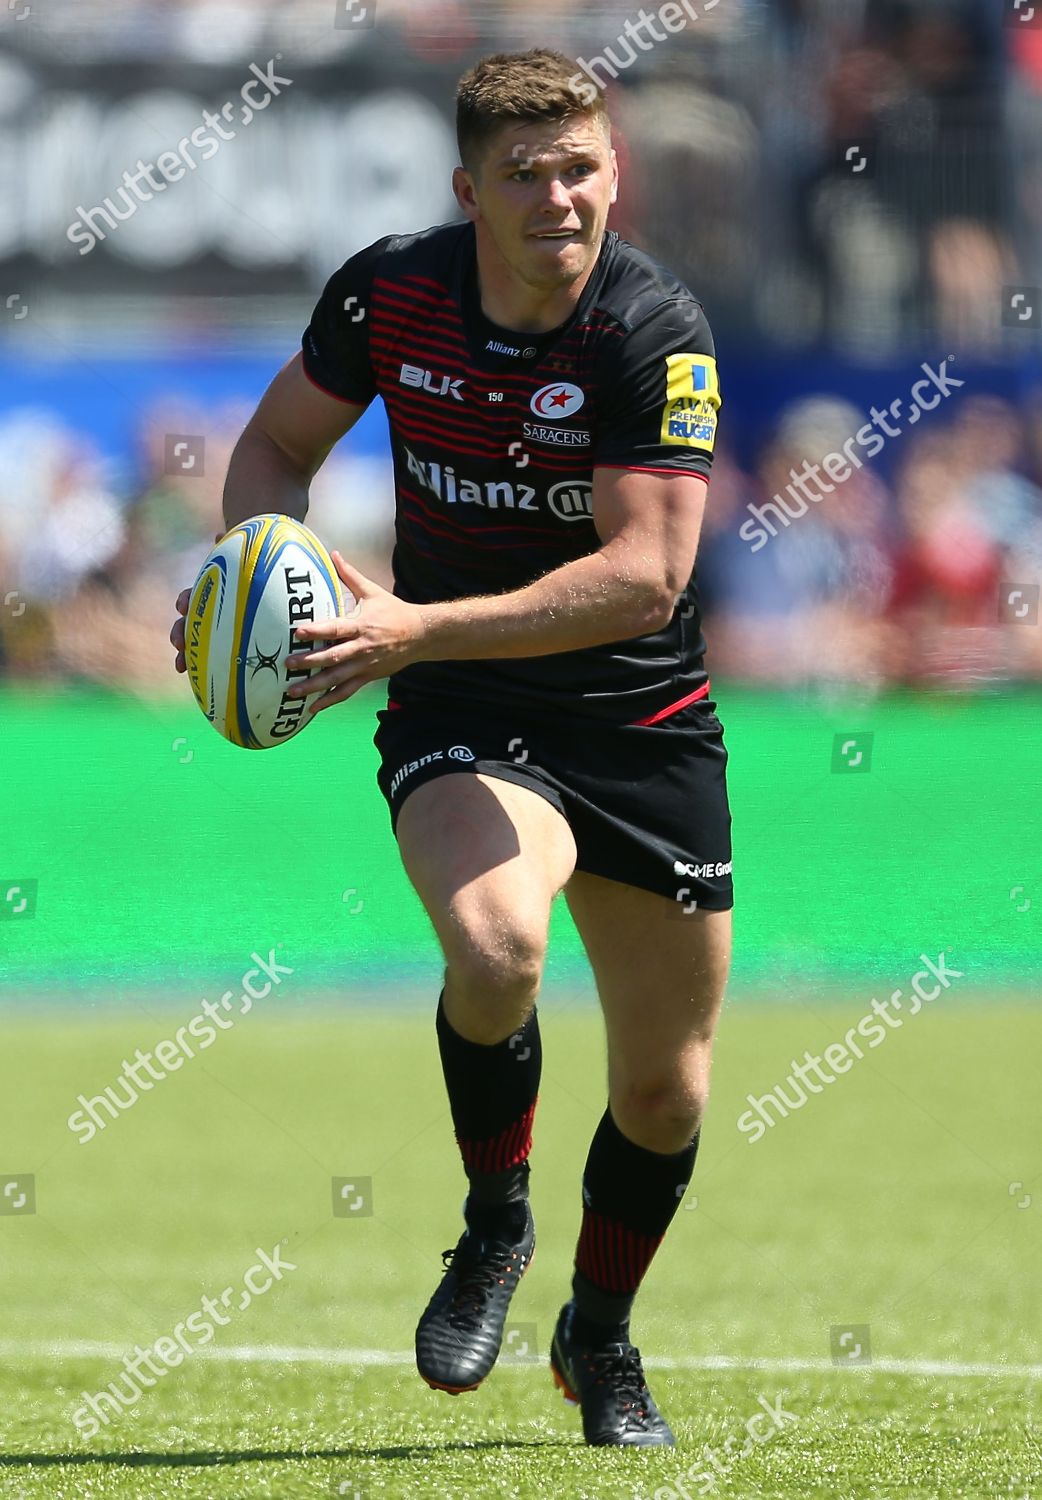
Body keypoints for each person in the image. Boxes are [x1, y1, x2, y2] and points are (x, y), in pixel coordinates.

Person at [171, 47, 733, 1449]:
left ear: (615, 167)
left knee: (664, 1091)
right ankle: (493, 1225)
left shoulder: (652, 327)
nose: (560, 194)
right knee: (495, 948)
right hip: (465, 707)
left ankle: (596, 1339)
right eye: (526, 173)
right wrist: (251, 563)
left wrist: (418, 625)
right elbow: (275, 447)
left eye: (581, 165)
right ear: (466, 188)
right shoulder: (390, 291)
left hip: (637, 718)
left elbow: (644, 577)